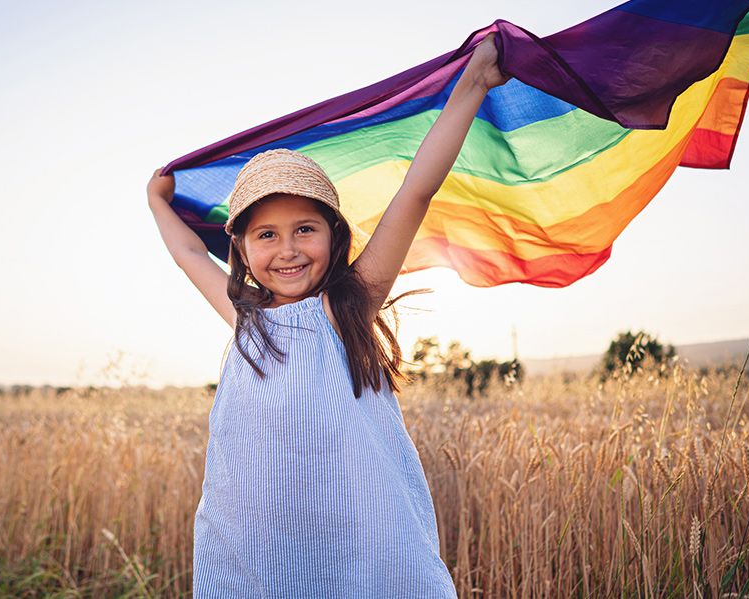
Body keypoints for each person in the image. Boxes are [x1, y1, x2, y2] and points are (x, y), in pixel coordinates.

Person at [147, 32, 508, 599]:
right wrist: (157, 201)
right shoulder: (246, 317)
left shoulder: (348, 305)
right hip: (257, 538)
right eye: (267, 235)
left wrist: (473, 85)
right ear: (240, 248)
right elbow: (191, 251)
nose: (287, 249)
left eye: (305, 230)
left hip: (357, 532)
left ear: (334, 237)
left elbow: (415, 191)